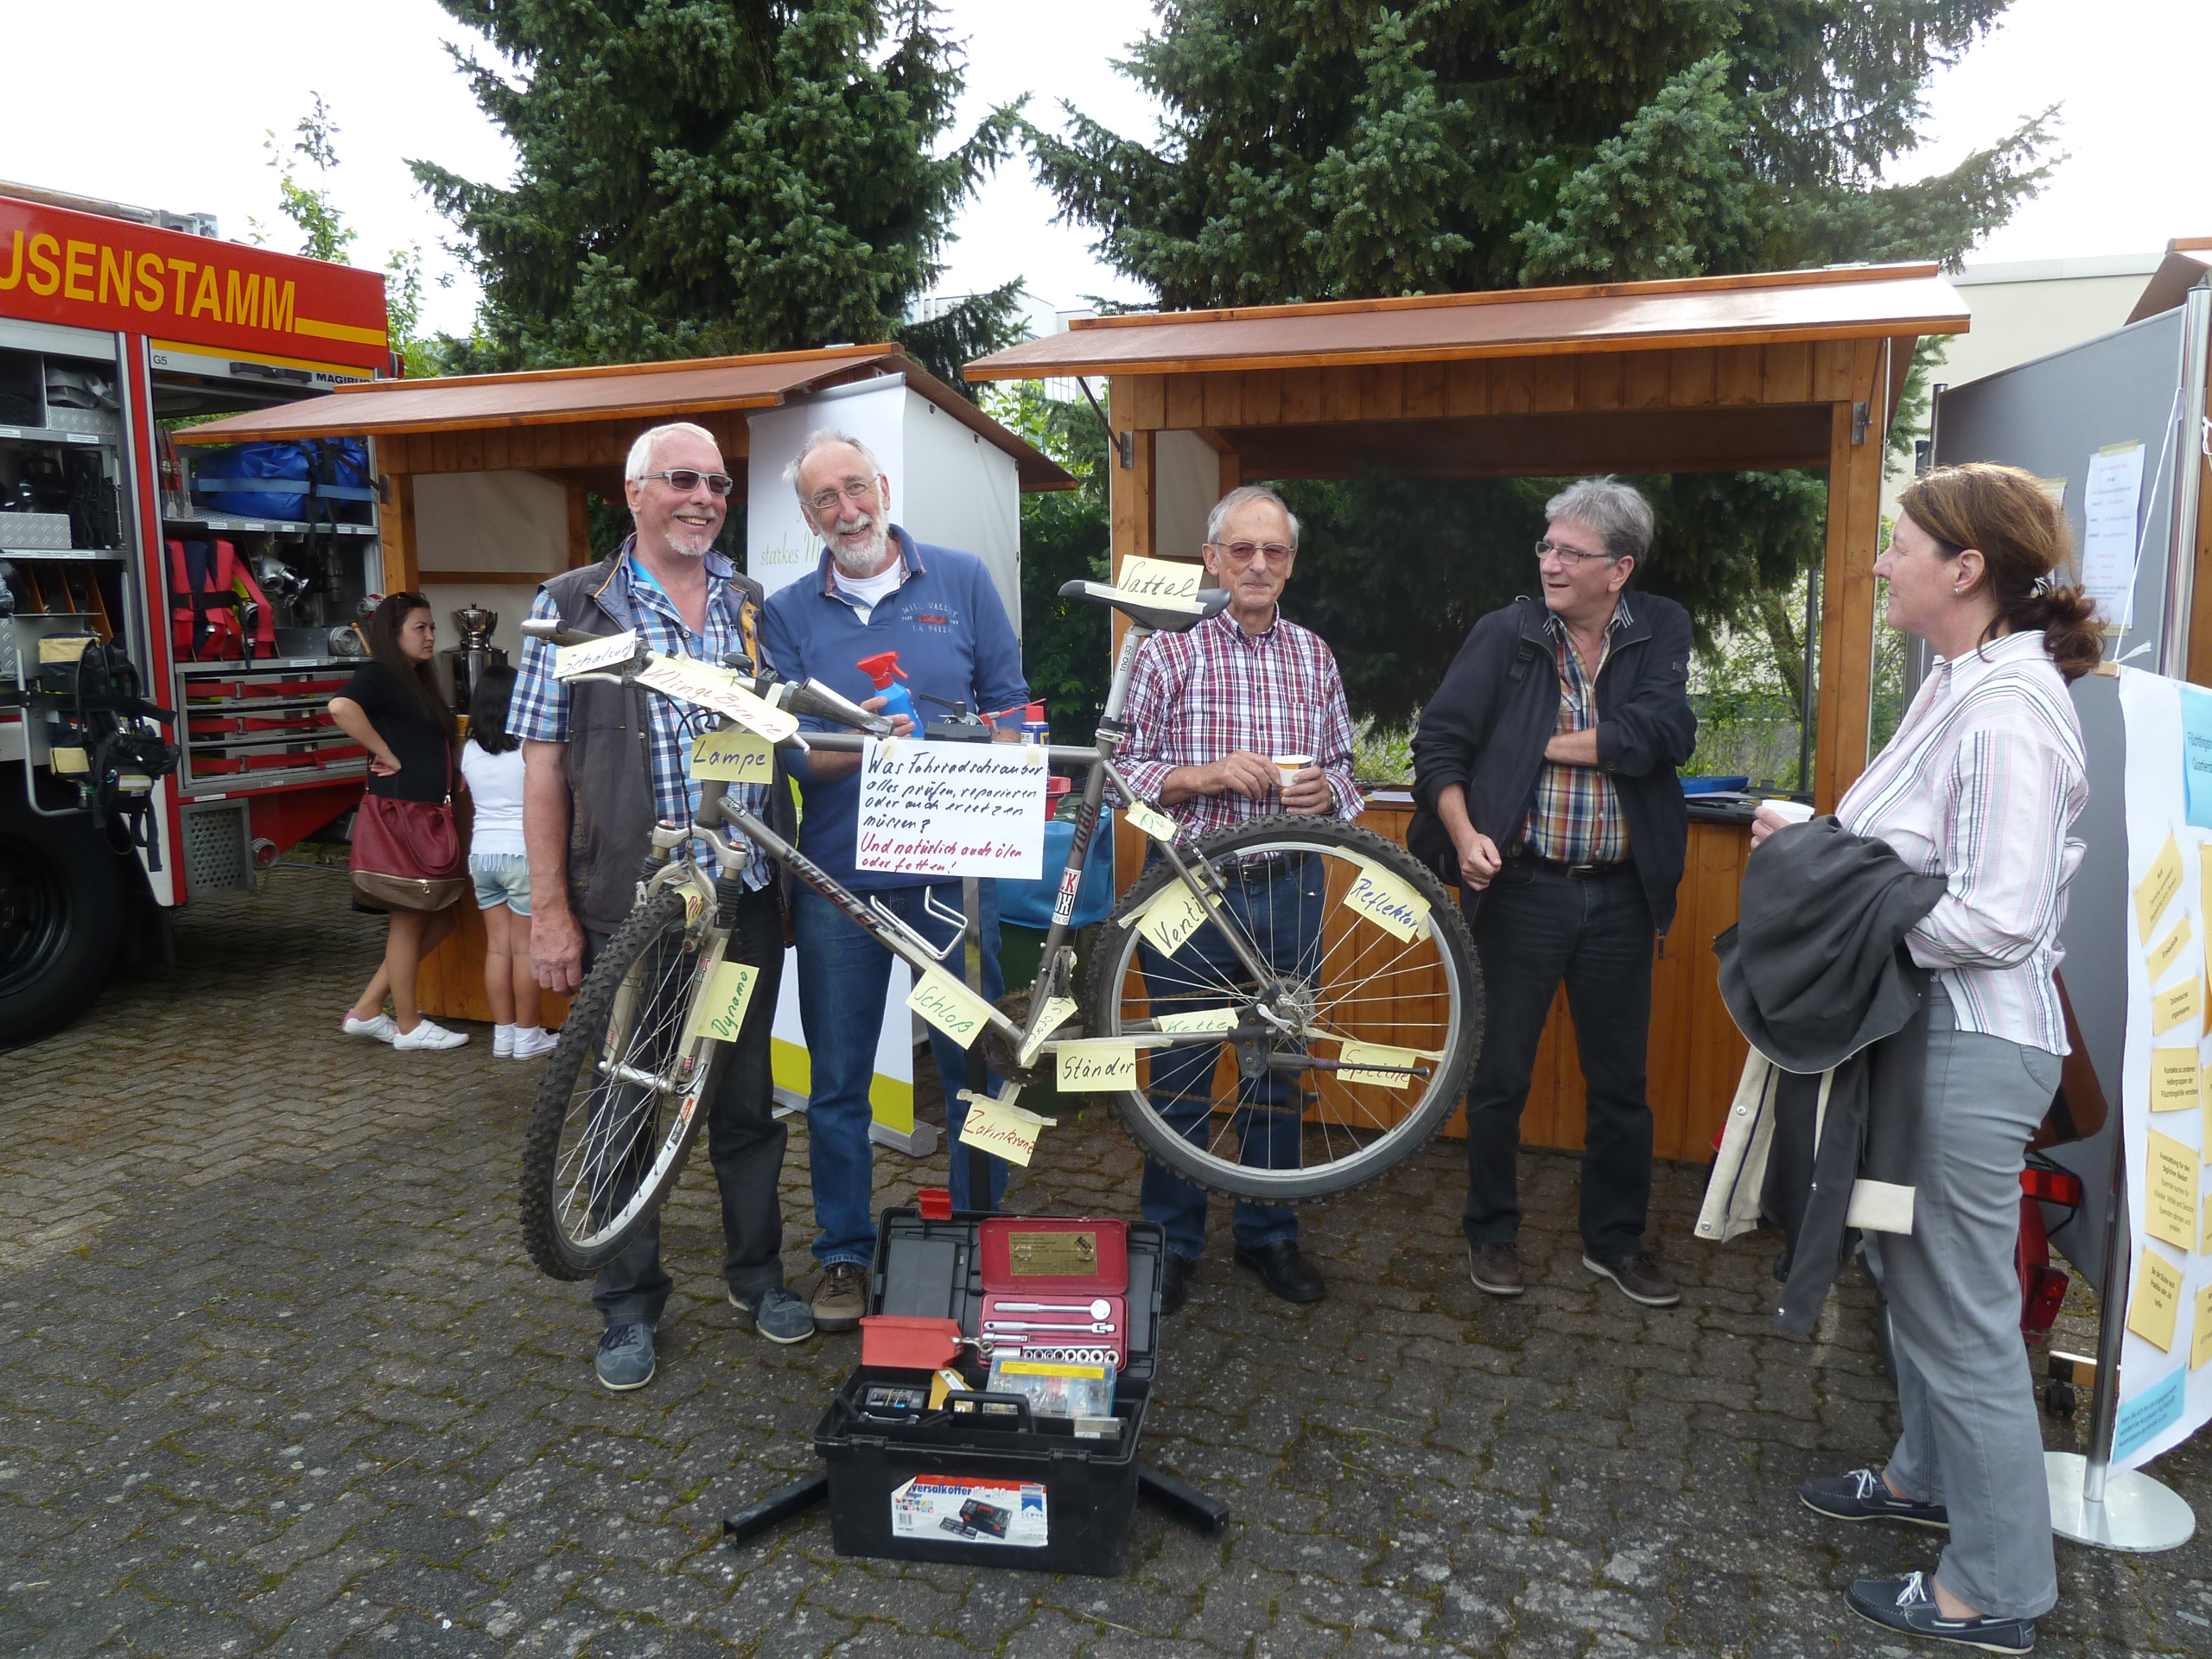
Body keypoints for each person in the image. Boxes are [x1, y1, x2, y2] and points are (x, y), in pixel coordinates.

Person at [1775, 463, 2095, 1656]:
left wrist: (1836, 902)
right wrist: (1817, 849)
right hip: (1927, 1037)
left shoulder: (2009, 710)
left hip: (1967, 1041)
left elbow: (1998, 915)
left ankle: (1998, 1586)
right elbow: (1896, 846)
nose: (1880, 562)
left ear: (1967, 570)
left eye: (1900, 544)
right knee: (1907, 1273)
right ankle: (1923, 1477)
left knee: (1962, 1313)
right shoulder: (1962, 683)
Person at [512, 420, 811, 1392]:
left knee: (742, 1100)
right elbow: (544, 767)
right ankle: (627, 1306)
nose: (703, 497)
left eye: (718, 484)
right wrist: (548, 912)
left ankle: (755, 1277)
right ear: (633, 491)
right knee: (620, 1103)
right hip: (632, 910)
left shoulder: (750, 603)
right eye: (682, 479)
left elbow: (785, 737)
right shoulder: (573, 605)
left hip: (742, 907)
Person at [760, 428, 1028, 1336]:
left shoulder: (958, 580)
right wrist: (857, 748)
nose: (848, 510)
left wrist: (975, 755)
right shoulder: (789, 611)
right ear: (807, 517)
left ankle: (984, 1238)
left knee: (975, 1068)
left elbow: (1015, 711)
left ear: (882, 485)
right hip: (841, 886)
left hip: (951, 885)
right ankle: (843, 1254)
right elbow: (791, 755)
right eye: (825, 500)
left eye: (857, 488)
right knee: (837, 1081)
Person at [1411, 477, 1695, 1308]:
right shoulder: (1508, 633)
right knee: (1500, 1076)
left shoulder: (1660, 626)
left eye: (1571, 552)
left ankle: (1615, 1242)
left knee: (1621, 1087)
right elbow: (1440, 748)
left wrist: (1536, 741)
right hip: (1522, 890)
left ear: (1620, 567)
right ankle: (1491, 1233)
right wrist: (1465, 836)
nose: (1550, 564)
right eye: (1547, 547)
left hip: (1622, 893)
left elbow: (1663, 734)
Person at [1116, 485, 1362, 1314]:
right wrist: (1202, 776)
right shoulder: (1163, 651)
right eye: (1243, 550)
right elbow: (1125, 776)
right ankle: (1171, 1242)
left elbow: (1349, 776)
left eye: (1276, 552)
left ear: (1290, 566)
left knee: (1280, 1065)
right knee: (1182, 1065)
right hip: (1190, 890)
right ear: (1212, 558)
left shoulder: (1315, 656)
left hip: (1291, 887)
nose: (1259, 566)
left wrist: (1327, 791)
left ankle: (1268, 1235)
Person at [333, 592, 469, 1052]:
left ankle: (370, 1009)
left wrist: (453, 771)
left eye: (432, 628)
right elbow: (340, 707)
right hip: (401, 815)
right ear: (394, 634)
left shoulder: (414, 680)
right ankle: (409, 1026)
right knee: (409, 922)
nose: (431, 636)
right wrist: (384, 752)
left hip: (425, 814)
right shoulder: (379, 673)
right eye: (421, 628)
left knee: (438, 921)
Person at [459, 664, 556, 1061]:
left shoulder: (468, 750)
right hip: (522, 855)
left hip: (482, 856)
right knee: (523, 952)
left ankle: (504, 1035)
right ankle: (529, 1036)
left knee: (497, 950)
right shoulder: (530, 749)